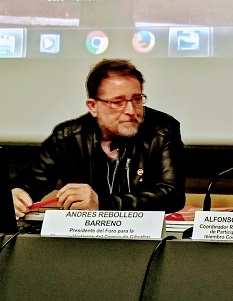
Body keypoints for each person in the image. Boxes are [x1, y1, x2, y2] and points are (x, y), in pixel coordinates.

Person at [12, 59, 185, 217]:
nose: (131, 111)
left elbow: (171, 194)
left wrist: (102, 203)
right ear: (93, 106)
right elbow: (30, 182)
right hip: (82, 241)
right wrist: (18, 194)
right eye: (118, 102)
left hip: (145, 240)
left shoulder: (162, 130)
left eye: (137, 99)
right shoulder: (68, 137)